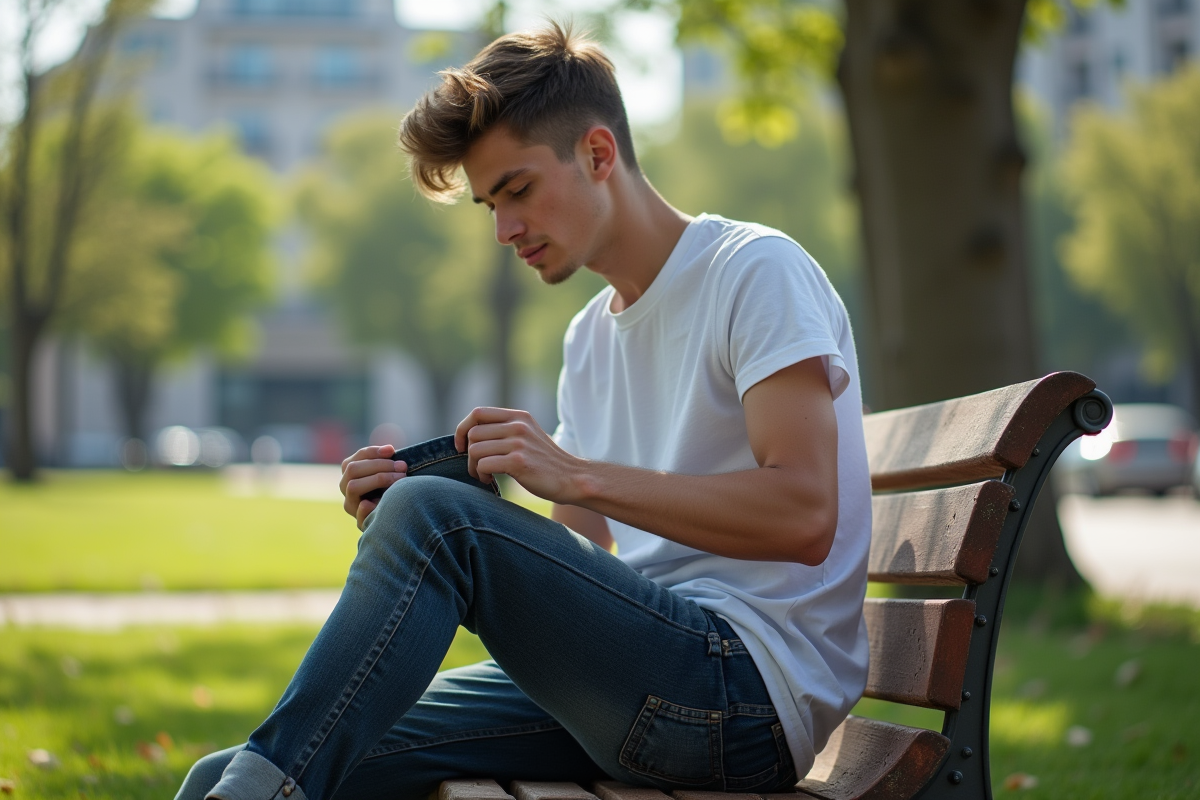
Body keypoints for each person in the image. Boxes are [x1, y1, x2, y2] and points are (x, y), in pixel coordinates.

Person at [177, 23, 871, 800]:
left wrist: (558, 481)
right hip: (646, 674)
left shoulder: (755, 272)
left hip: (742, 695)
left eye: (518, 190)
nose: (504, 230)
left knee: (431, 524)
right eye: (489, 205)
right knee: (222, 775)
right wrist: (420, 529)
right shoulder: (590, 337)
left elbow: (805, 516)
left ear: (598, 155)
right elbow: (580, 560)